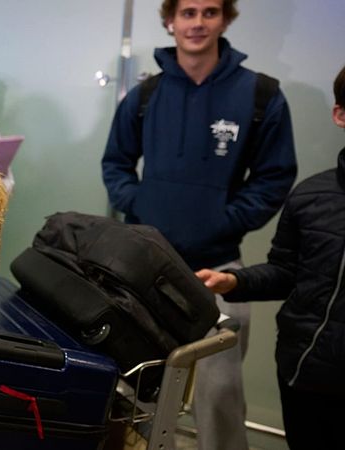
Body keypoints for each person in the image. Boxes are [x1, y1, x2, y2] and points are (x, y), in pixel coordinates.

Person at [100, 1, 297, 448]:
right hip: (145, 272)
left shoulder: (261, 94)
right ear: (171, 20)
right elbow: (116, 164)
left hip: (218, 272)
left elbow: (274, 177)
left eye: (210, 12)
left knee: (220, 396)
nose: (198, 23)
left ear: (225, 20)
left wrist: (223, 221)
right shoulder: (145, 96)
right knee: (135, 394)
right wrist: (142, 205)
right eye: (188, 12)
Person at [195, 64, 345, 450]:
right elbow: (287, 271)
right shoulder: (311, 196)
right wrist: (235, 282)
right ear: (340, 115)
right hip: (305, 373)